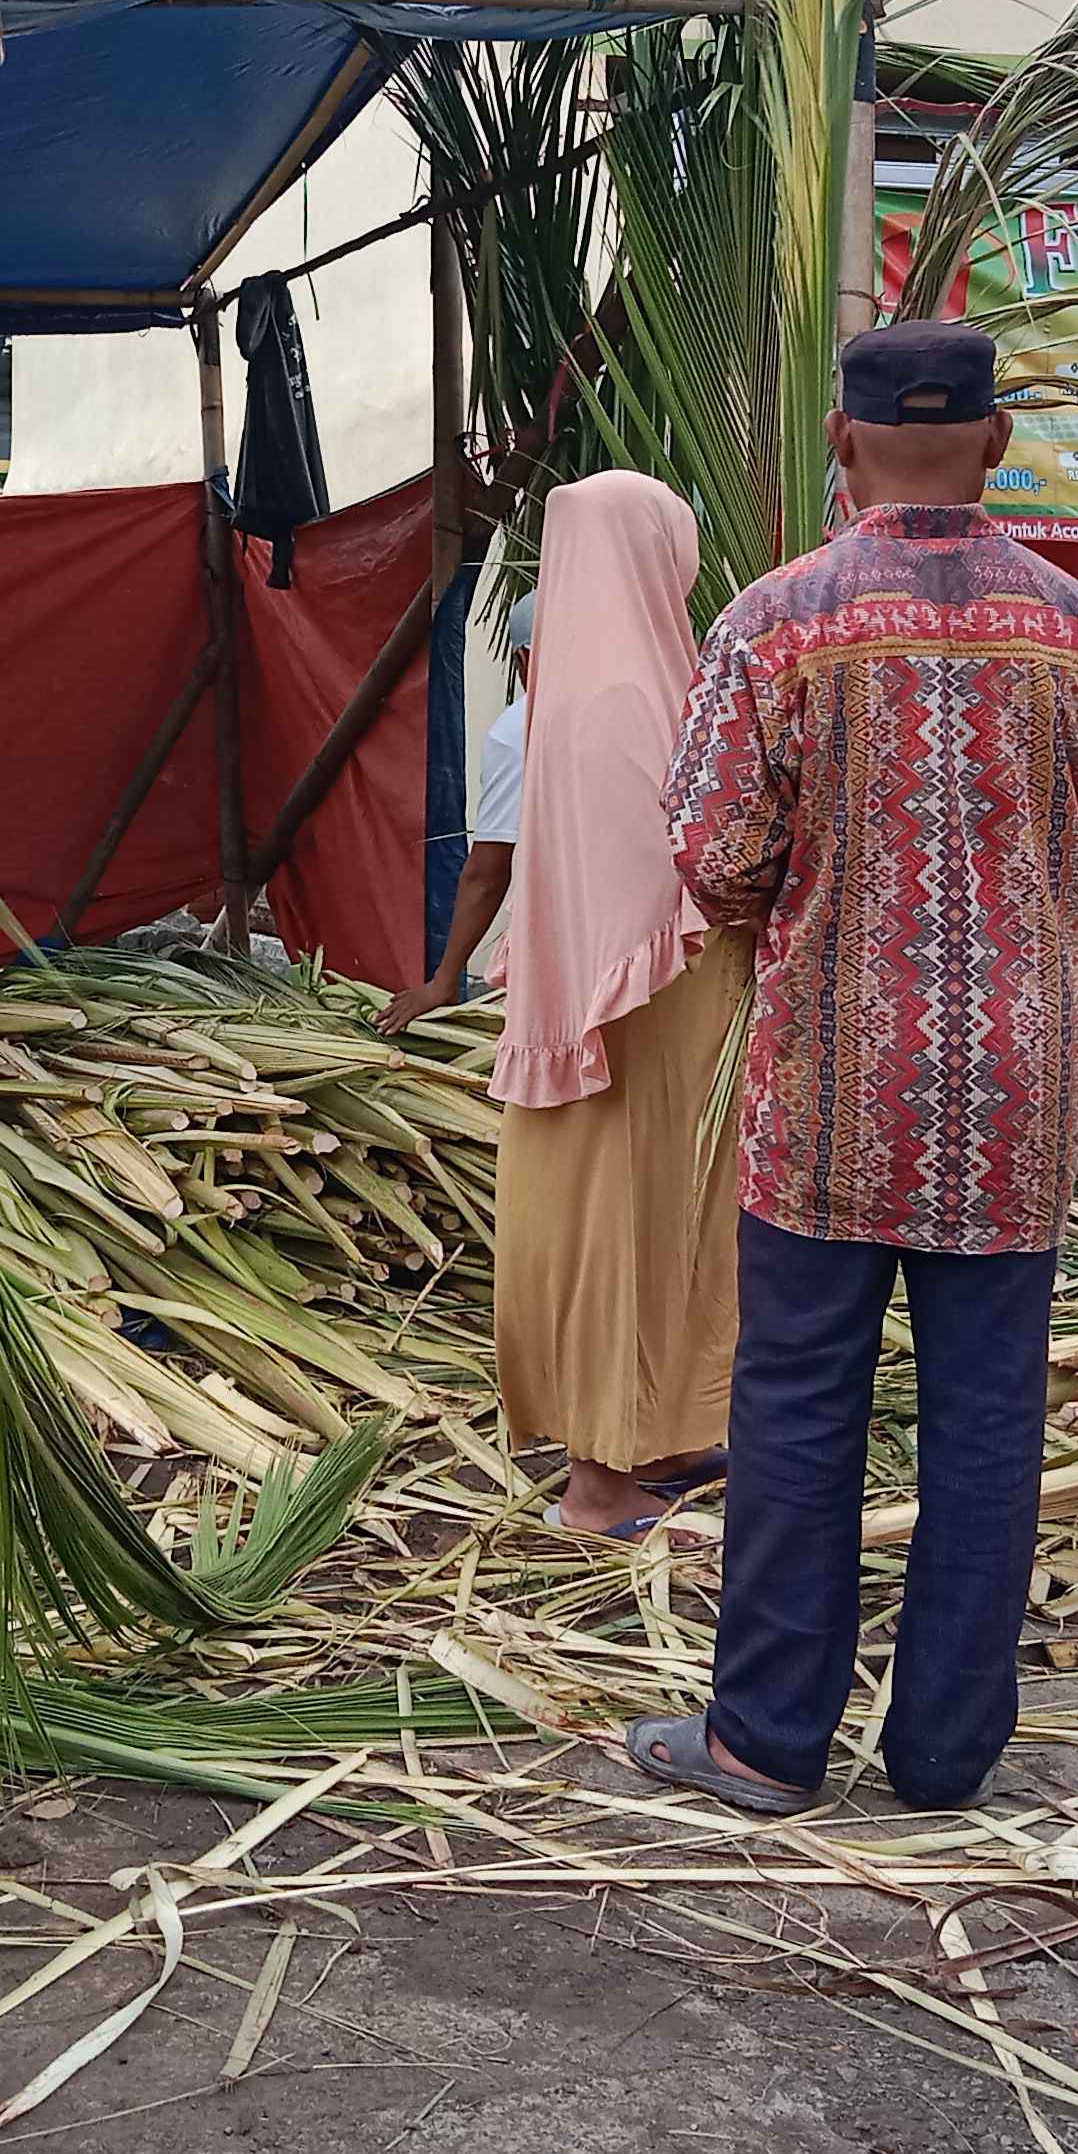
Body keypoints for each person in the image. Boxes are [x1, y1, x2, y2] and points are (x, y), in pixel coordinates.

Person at [622, 322, 1078, 1819]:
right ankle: (944, 1757)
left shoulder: (778, 620)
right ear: (996, 445)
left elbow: (717, 853)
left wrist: (800, 911)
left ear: (841, 446)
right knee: (987, 1422)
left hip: (832, 1083)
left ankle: (766, 1744)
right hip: (1017, 1092)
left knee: (798, 1402)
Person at [483, 476, 742, 1544]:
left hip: (607, 1014)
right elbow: (669, 870)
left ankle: (660, 1437)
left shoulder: (571, 686)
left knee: (651, 1223)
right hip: (640, 1018)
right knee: (631, 1228)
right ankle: (599, 1482)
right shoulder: (628, 696)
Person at [379, 590, 531, 1034]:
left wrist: (444, 981)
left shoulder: (522, 729)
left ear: (523, 660)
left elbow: (487, 872)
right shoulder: (647, 700)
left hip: (582, 952)